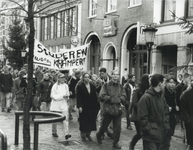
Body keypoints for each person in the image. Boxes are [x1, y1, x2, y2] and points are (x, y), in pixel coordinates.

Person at [137, 74, 170, 150]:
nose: (165, 85)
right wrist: (149, 130)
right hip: (150, 137)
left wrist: (166, 127)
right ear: (159, 84)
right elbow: (142, 118)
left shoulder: (161, 97)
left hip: (160, 134)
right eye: (164, 83)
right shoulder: (146, 98)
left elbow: (166, 113)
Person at [96, 70, 126, 149]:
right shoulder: (106, 85)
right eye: (114, 74)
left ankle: (115, 142)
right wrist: (111, 99)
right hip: (108, 109)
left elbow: (124, 96)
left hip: (117, 110)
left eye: (117, 74)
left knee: (118, 128)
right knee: (104, 126)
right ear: (111, 75)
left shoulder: (120, 86)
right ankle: (99, 135)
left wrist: (121, 99)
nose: (116, 76)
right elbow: (102, 96)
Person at [76, 71, 100, 141]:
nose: (87, 79)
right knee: (83, 121)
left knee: (91, 120)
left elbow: (94, 96)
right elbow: (79, 97)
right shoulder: (80, 86)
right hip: (84, 106)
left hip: (91, 106)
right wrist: (79, 106)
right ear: (83, 78)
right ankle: (83, 135)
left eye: (88, 77)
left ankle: (88, 134)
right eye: (85, 77)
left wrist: (96, 106)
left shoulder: (92, 86)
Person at [129, 74, 150, 150]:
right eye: (149, 79)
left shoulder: (150, 90)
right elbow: (134, 103)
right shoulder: (137, 90)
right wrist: (143, 108)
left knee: (146, 134)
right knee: (140, 133)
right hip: (138, 115)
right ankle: (132, 144)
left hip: (147, 116)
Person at [50, 73, 71, 140]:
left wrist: (67, 97)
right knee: (55, 120)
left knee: (66, 119)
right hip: (56, 105)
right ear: (58, 78)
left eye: (64, 78)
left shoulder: (66, 86)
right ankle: (54, 131)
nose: (63, 79)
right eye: (61, 78)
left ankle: (66, 133)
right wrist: (62, 96)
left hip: (63, 104)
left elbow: (67, 95)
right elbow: (53, 96)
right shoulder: (54, 86)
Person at [162, 76, 179, 150]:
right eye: (171, 82)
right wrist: (166, 107)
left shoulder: (174, 92)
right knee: (165, 135)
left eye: (174, 83)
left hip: (172, 116)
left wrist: (176, 106)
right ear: (166, 83)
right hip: (164, 116)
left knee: (170, 134)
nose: (173, 84)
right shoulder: (163, 91)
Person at [180, 83, 193, 150]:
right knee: (191, 145)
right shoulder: (186, 94)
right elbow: (184, 111)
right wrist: (189, 121)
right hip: (191, 126)